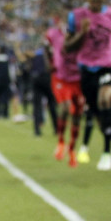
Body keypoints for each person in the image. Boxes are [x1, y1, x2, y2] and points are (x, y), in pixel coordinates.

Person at [65, 0, 111, 170]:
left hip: (107, 66)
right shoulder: (76, 16)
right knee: (98, 112)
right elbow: (67, 47)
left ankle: (106, 154)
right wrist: (81, 33)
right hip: (86, 69)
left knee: (106, 99)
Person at [45, 19, 83, 166]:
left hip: (77, 80)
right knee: (66, 106)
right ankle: (60, 141)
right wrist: (49, 62)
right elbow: (46, 46)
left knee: (77, 115)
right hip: (61, 78)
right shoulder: (55, 34)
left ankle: (72, 149)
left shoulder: (82, 38)